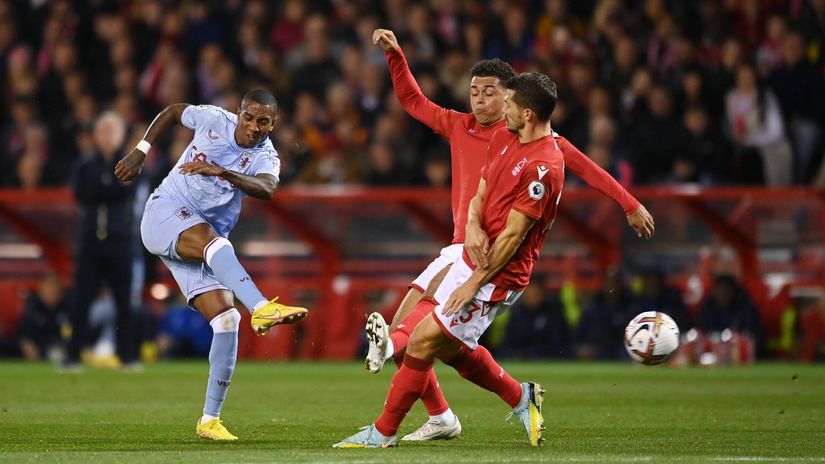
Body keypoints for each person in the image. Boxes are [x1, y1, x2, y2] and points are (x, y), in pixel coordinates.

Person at [362, 28, 654, 442]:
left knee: (420, 337)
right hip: (461, 244)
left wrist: (629, 203)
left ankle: (394, 372)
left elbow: (586, 167)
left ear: (510, 99)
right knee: (433, 341)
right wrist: (396, 56)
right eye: (474, 92)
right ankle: (447, 412)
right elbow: (412, 101)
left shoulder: (528, 140)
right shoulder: (459, 126)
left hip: (490, 258)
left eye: (489, 93)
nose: (479, 101)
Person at [335, 72, 566, 448]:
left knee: (423, 344)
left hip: (498, 276)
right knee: (446, 346)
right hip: (470, 254)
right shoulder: (506, 138)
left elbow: (512, 237)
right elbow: (482, 188)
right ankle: (517, 397)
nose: (499, 108)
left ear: (527, 114)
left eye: (507, 103)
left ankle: (382, 432)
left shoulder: (545, 168)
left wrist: (474, 283)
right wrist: (472, 226)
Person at [114, 89, 308, 441]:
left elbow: (268, 189)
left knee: (227, 319)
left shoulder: (266, 156)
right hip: (165, 213)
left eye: (262, 121)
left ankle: (209, 420)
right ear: (239, 113)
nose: (253, 127)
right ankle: (262, 307)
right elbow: (173, 111)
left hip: (201, 241)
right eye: (248, 117)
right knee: (216, 243)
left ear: (273, 124)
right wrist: (141, 151)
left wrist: (224, 172)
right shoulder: (213, 119)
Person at [64, 112, 139, 371]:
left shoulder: (130, 162)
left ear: (121, 135)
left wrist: (106, 186)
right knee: (81, 300)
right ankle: (72, 355)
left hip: (120, 240)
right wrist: (110, 185)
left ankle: (127, 356)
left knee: (124, 302)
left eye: (112, 131)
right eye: (103, 131)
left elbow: (122, 190)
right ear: (95, 135)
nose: (108, 137)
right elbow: (84, 194)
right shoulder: (85, 165)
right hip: (90, 241)